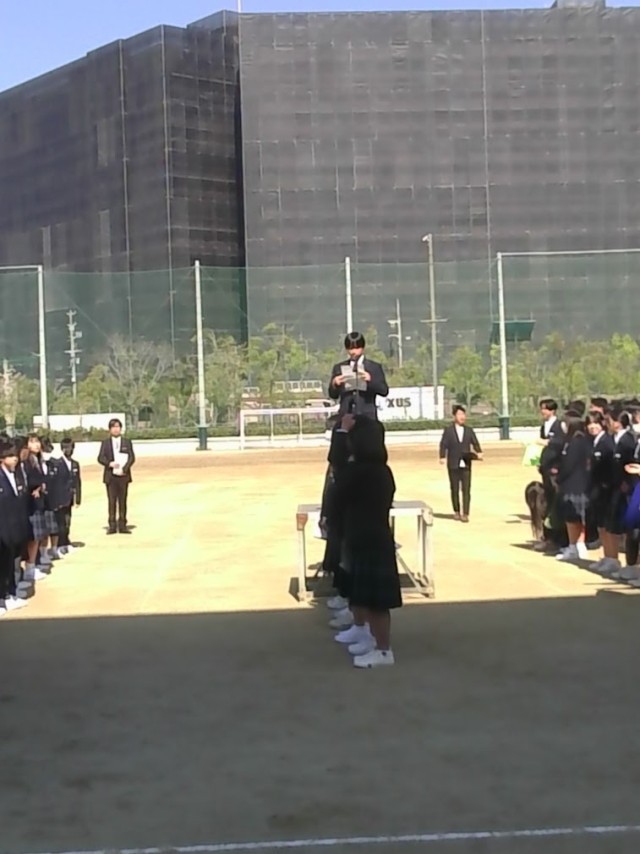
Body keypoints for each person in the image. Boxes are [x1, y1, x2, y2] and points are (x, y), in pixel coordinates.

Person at [332, 415, 401, 668]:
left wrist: (341, 434)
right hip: (373, 537)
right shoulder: (381, 470)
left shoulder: (359, 472)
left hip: (368, 539)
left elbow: (338, 472)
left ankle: (383, 651)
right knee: (367, 596)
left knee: (376, 601)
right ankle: (374, 641)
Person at [555, 413, 591, 562]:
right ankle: (579, 545)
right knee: (580, 517)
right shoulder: (584, 441)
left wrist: (559, 478)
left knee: (572, 517)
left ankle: (573, 546)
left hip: (573, 484)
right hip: (582, 483)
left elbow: (568, 465)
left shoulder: (574, 442)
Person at [328, 331, 389, 419]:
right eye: (350, 348)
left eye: (356, 348)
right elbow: (333, 395)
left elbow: (384, 391)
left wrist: (370, 380)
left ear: (363, 347)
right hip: (346, 416)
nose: (353, 352)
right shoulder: (339, 368)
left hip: (367, 417)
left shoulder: (373, 367)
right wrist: (334, 384)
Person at [586, 413, 618, 574]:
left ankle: (613, 558)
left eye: (596, 424)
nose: (592, 427)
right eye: (590, 424)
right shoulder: (595, 442)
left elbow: (611, 466)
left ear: (602, 424)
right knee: (601, 525)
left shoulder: (607, 442)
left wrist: (606, 485)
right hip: (596, 489)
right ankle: (606, 556)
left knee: (607, 525)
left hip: (605, 490)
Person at [0, 442, 30, 615]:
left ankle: (10, 594)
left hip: (14, 527)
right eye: (10, 456)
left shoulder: (16, 475)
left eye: (15, 456)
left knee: (11, 563)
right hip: (3, 528)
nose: (15, 459)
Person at [439, 405, 483, 522]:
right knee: (454, 489)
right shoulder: (448, 431)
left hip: (466, 463)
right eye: (459, 414)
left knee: (466, 489)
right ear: (454, 416)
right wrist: (442, 456)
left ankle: (466, 513)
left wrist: (479, 452)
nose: (462, 417)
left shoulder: (469, 430)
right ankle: (457, 511)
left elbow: (475, 442)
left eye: (463, 414)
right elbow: (443, 444)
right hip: (453, 463)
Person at [98, 419, 136, 534]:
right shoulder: (105, 443)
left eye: (118, 427)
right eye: (113, 427)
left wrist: (125, 468)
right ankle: (112, 525)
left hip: (123, 476)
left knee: (123, 501)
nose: (116, 429)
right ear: (110, 429)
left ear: (121, 428)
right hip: (111, 476)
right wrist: (109, 463)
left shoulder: (127, 442)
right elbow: (100, 458)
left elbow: (131, 457)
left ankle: (123, 525)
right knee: (112, 501)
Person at [51, 438, 82, 554]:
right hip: (59, 497)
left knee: (68, 521)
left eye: (70, 447)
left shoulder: (75, 464)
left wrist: (78, 498)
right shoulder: (57, 464)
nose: (68, 450)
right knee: (60, 522)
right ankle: (60, 544)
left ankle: (66, 542)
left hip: (69, 498)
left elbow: (77, 482)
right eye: (66, 448)